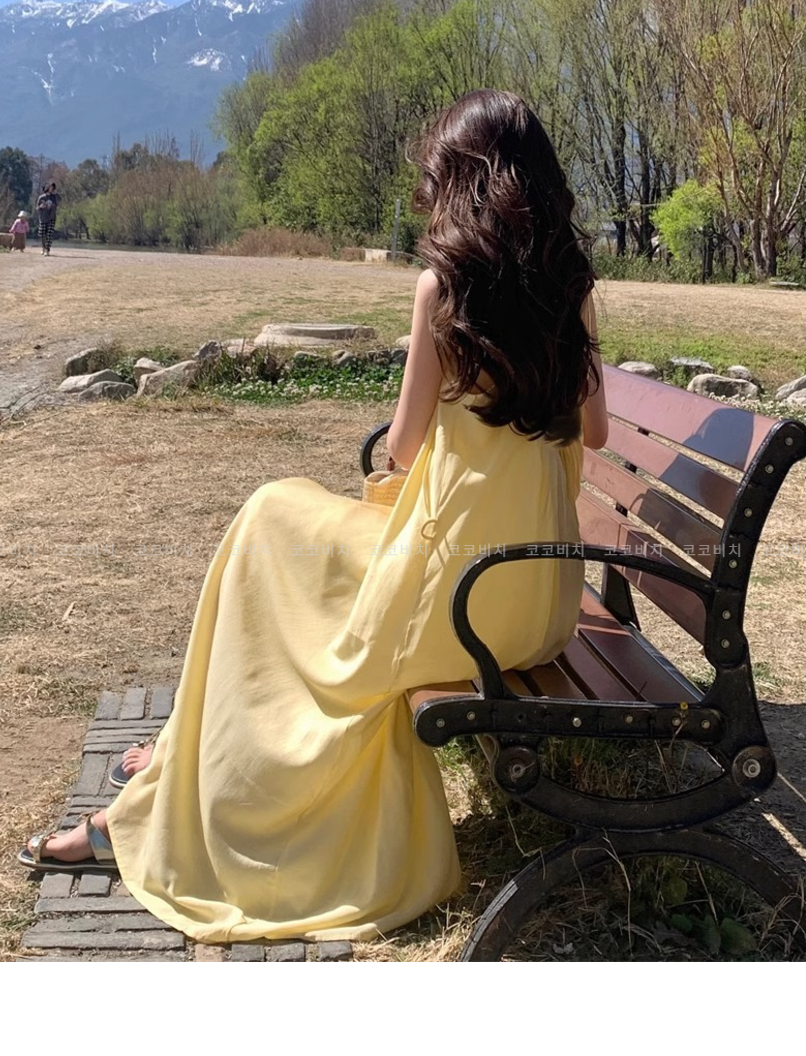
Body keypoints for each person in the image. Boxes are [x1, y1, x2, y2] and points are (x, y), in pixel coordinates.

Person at [20, 89, 609, 944]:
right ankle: (187, 749)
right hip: (536, 600)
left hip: (458, 596)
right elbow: (596, 430)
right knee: (287, 547)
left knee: (269, 527)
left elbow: (402, 448)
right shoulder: (575, 288)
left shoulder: (444, 289)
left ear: (463, 182)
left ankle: (173, 789)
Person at [36, 181, 59, 255]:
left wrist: (55, 194)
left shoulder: (54, 197)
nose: (51, 188)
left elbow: (58, 202)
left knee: (49, 234)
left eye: (53, 187)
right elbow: (37, 208)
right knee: (42, 234)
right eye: (50, 187)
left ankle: (47, 249)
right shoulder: (41, 197)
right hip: (43, 218)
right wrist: (41, 207)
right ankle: (43, 247)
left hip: (51, 218)